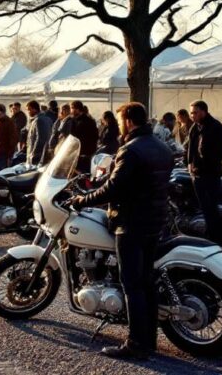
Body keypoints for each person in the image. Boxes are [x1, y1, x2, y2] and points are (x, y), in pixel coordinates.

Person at [66, 102, 171, 360]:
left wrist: (82, 200)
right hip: (155, 220)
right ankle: (149, 340)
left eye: (122, 120)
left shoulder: (131, 150)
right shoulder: (161, 146)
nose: (120, 124)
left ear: (129, 121)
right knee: (146, 283)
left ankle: (136, 345)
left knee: (132, 285)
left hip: (131, 222)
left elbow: (114, 189)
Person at [187, 100, 222, 246]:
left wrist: (208, 162)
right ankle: (211, 238)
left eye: (195, 112)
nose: (192, 115)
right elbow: (190, 148)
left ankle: (219, 242)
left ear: (203, 111)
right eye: (191, 112)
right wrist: (189, 163)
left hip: (210, 174)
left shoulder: (216, 127)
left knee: (211, 210)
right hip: (196, 174)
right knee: (205, 208)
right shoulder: (194, 127)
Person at [69, 101, 99, 173]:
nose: (71, 111)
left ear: (77, 109)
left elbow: (74, 137)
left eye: (71, 108)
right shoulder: (77, 120)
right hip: (81, 154)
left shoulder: (83, 122)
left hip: (83, 154)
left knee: (82, 175)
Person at [0, 104, 18, 171]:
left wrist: (10, 155)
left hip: (4, 153)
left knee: (2, 172)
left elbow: (13, 139)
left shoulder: (9, 123)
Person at [25, 100, 53, 166]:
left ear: (34, 109)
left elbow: (40, 139)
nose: (28, 112)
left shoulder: (39, 120)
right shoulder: (44, 119)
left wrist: (34, 154)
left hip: (38, 156)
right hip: (40, 154)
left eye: (29, 109)